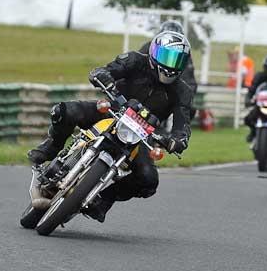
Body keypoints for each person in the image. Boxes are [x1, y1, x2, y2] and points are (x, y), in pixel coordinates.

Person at [27, 27, 194, 222]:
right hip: (110, 111)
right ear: (154, 51)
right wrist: (102, 75)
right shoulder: (134, 60)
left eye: (177, 60)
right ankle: (52, 147)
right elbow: (108, 70)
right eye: (167, 56)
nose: (170, 65)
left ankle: (104, 200)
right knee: (62, 111)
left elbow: (183, 123)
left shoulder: (183, 92)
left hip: (140, 135)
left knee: (148, 180)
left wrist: (178, 140)